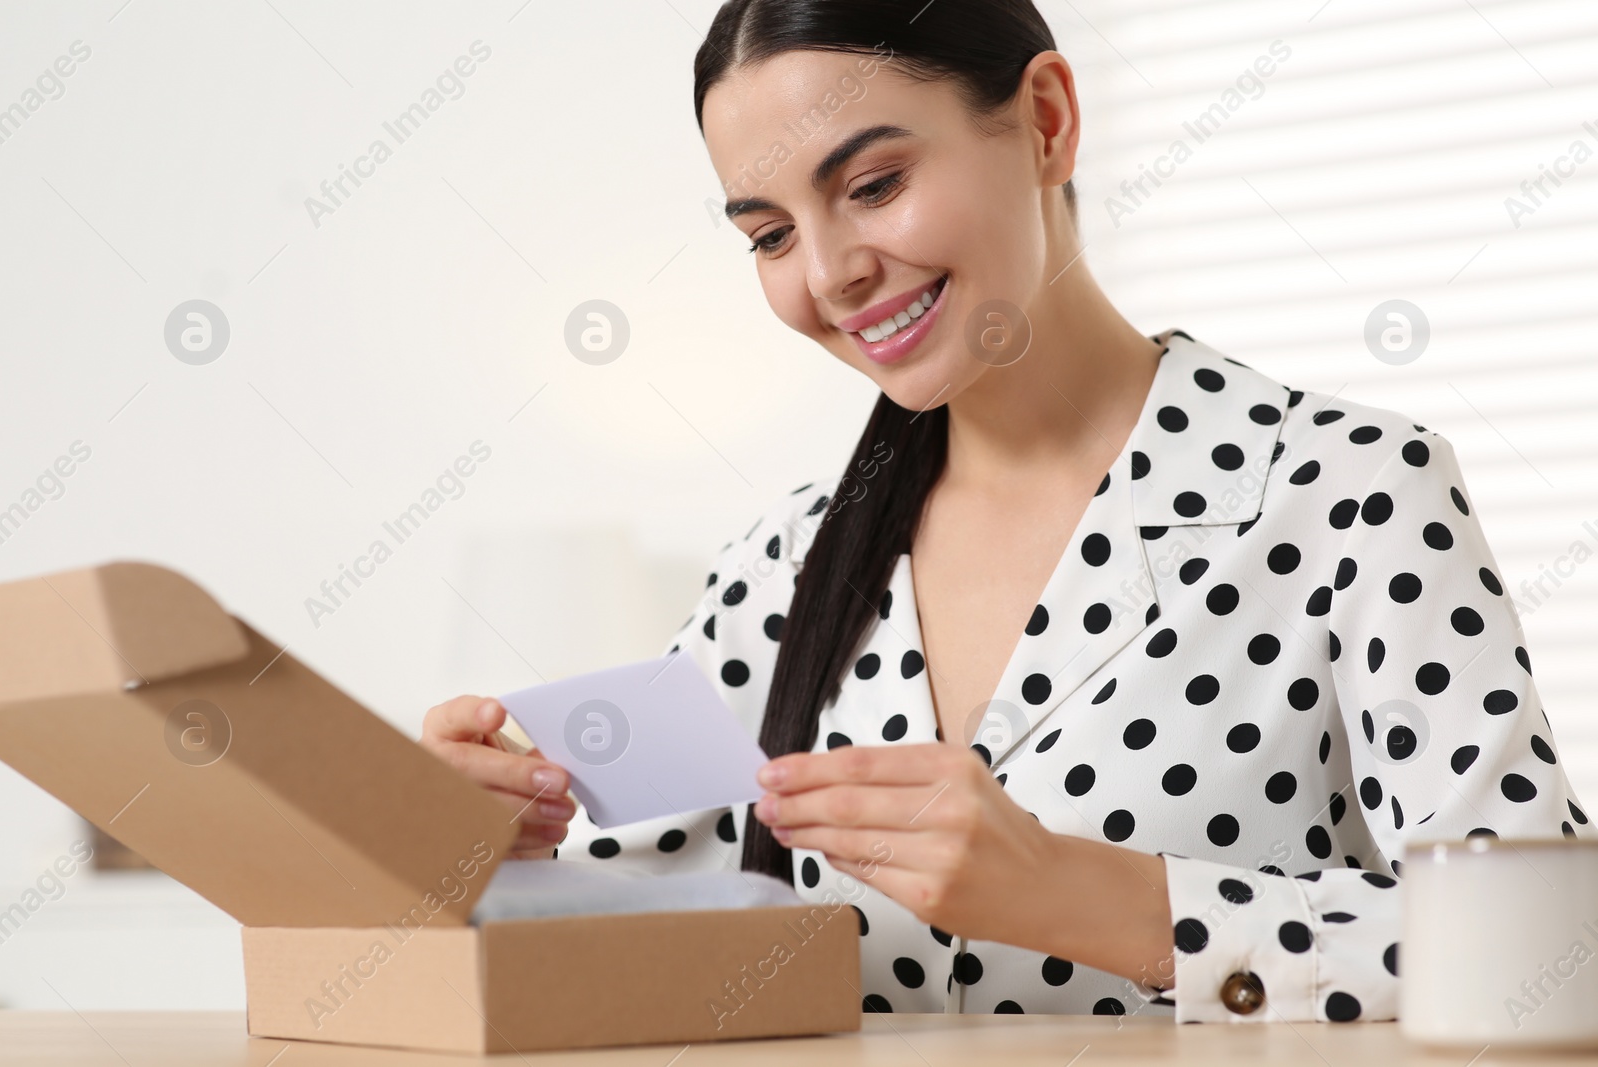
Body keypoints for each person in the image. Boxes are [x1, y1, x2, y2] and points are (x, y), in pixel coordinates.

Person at [422, 0, 1593, 1024]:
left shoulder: (1349, 490)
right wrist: (470, 842)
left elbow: (1551, 955)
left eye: (872, 184)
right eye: (770, 235)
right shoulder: (779, 567)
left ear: (1044, 120)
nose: (827, 271)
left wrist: (1097, 899)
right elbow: (626, 918)